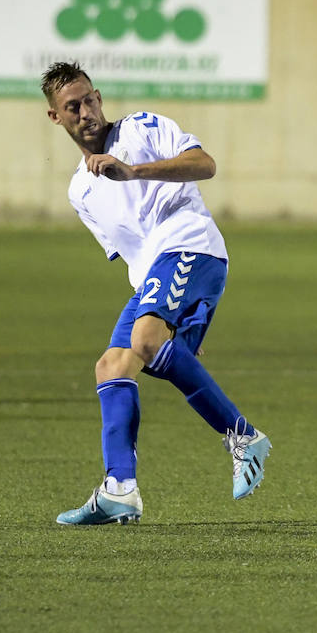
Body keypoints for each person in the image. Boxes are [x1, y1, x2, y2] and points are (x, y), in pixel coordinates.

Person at [42, 62, 270, 525]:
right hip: (153, 274)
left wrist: (133, 171)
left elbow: (205, 165)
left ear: (99, 97)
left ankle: (244, 437)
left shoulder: (142, 128)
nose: (85, 112)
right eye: (72, 107)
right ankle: (120, 490)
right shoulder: (80, 191)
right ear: (55, 117)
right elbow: (133, 253)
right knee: (111, 365)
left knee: (145, 340)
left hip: (190, 245)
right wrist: (172, 321)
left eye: (89, 100)